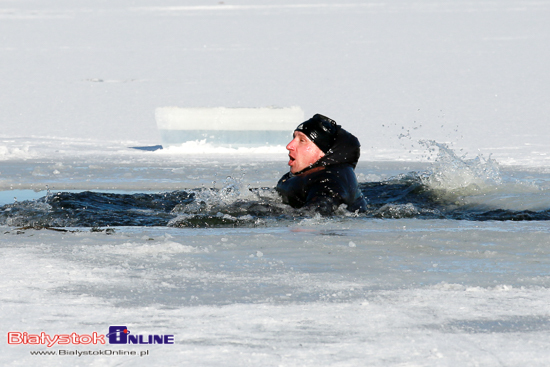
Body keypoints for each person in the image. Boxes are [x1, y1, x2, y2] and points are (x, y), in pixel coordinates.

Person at [276, 113, 367, 214]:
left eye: (302, 140)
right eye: (294, 138)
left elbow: (317, 213)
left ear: (323, 153)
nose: (289, 146)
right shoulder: (315, 175)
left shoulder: (329, 180)